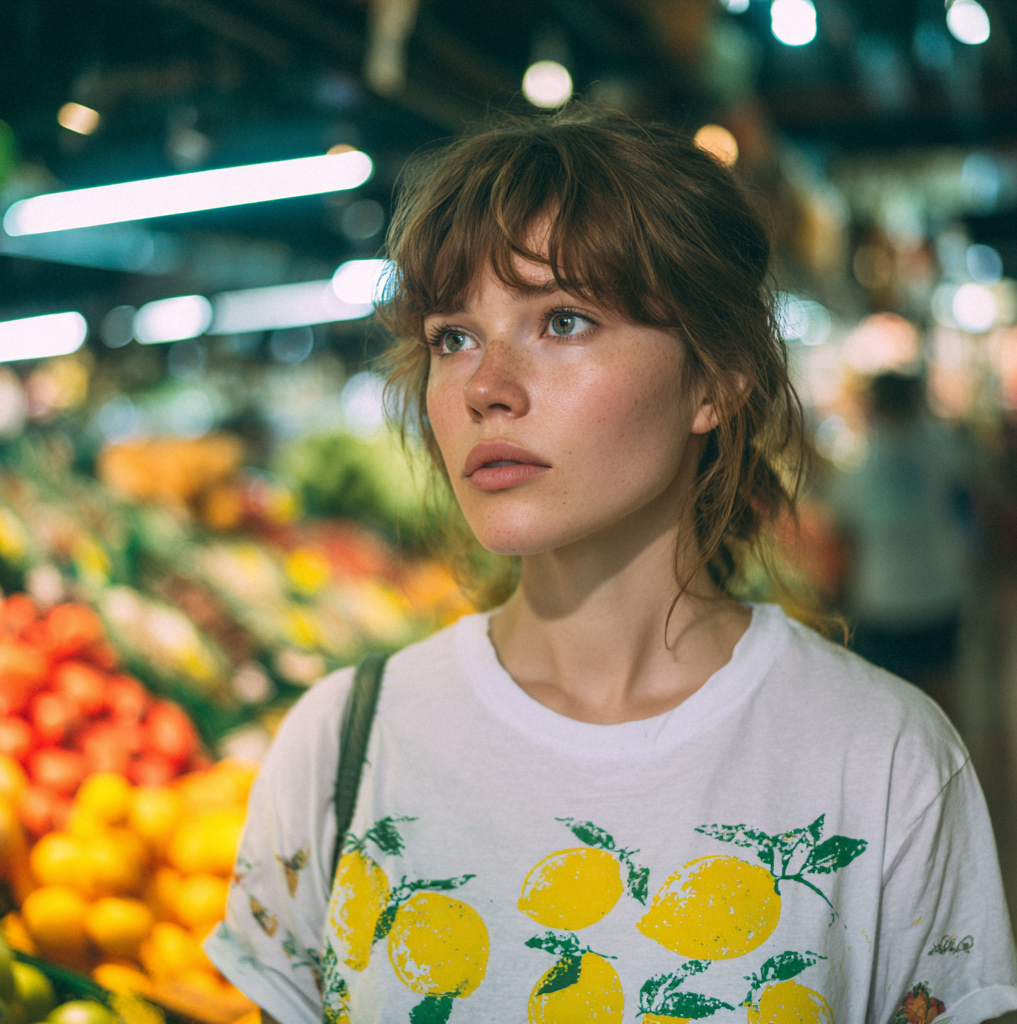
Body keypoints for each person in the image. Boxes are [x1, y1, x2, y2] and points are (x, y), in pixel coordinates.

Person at [205, 108, 1017, 1024]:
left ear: (716, 381)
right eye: (452, 337)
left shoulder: (884, 762)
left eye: (561, 320)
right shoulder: (343, 747)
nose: (485, 386)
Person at [829, 372, 971, 712]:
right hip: (939, 589)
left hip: (882, 598)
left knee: (890, 705)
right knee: (943, 700)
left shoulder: (857, 459)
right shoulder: (944, 447)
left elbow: (842, 534)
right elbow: (969, 509)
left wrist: (838, 595)